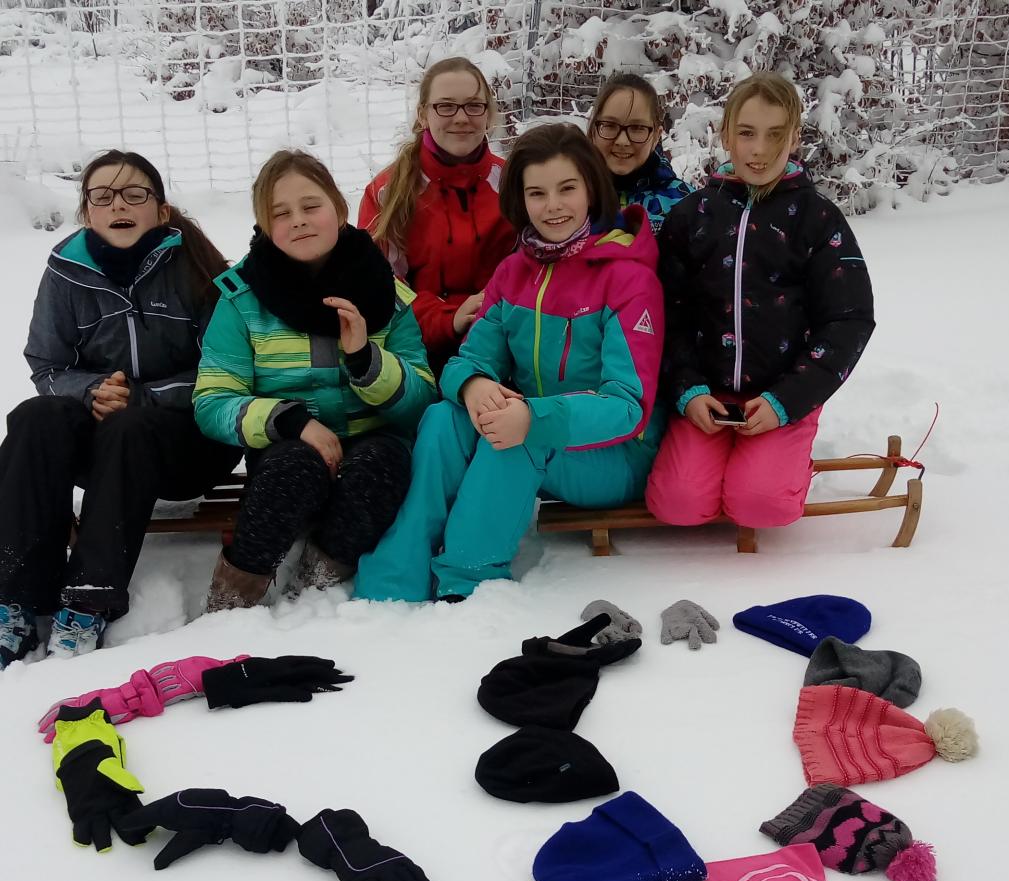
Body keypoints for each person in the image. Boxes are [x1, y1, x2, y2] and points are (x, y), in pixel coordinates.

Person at [354, 124, 665, 603]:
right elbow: (469, 358)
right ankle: (395, 576)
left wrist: (534, 417)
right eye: (537, 193)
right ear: (520, 199)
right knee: (443, 419)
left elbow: (628, 407)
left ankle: (467, 582)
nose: (553, 206)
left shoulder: (628, 280)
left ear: (591, 189)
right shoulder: (514, 271)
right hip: (536, 430)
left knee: (516, 436)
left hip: (614, 454)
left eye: (567, 189)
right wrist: (473, 384)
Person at [0, 150, 238, 676]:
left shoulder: (197, 268)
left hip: (190, 445)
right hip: (106, 439)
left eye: (135, 194)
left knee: (130, 424)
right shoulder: (66, 273)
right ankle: (8, 606)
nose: (119, 205)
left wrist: (142, 396)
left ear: (160, 210)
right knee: (35, 417)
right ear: (86, 210)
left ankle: (88, 602)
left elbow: (224, 369)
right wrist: (91, 390)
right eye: (103, 196)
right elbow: (47, 363)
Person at [193, 150, 437, 610]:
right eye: (280, 213)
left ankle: (319, 581)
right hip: (289, 450)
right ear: (264, 225)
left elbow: (421, 400)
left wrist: (366, 360)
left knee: (382, 465)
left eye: (311, 206)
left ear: (339, 210)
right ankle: (234, 595)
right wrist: (290, 422)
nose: (299, 221)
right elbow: (213, 402)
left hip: (371, 441)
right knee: (292, 466)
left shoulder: (387, 293)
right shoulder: (241, 299)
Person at [645, 72, 876, 530]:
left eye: (775, 135)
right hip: (706, 399)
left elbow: (849, 319)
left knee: (761, 504)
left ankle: (779, 464)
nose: (760, 149)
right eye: (747, 133)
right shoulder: (693, 216)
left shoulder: (817, 218)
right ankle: (717, 461)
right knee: (677, 503)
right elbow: (666, 312)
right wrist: (687, 390)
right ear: (726, 134)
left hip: (780, 397)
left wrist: (788, 400)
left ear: (795, 138)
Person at [359, 57, 515, 373]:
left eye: (474, 106)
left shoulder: (515, 183)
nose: (461, 117)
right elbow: (378, 286)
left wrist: (491, 314)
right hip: (415, 353)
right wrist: (448, 319)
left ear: (488, 114)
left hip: (505, 344)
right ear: (423, 115)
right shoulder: (386, 192)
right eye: (445, 106)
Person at [586, 72, 691, 232]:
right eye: (610, 125)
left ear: (656, 136)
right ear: (593, 129)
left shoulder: (685, 204)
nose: (622, 141)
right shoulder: (570, 195)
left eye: (637, 128)